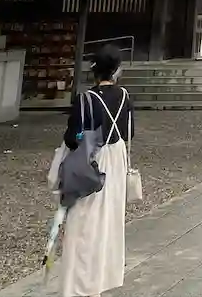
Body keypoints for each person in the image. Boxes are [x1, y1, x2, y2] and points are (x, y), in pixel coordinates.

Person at [59, 44, 134, 296]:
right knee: (108, 221)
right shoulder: (124, 96)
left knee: (83, 222)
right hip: (116, 159)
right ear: (117, 70)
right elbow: (129, 131)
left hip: (92, 161)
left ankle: (79, 285)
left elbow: (73, 138)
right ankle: (103, 278)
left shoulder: (86, 99)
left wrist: (84, 136)